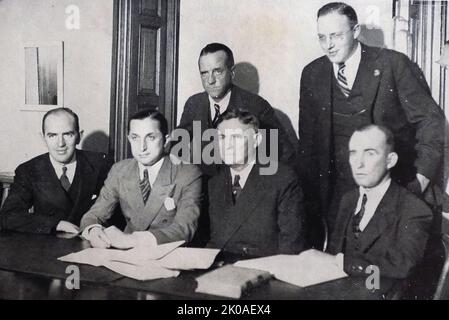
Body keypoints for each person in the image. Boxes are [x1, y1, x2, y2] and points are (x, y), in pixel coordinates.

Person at [298, 2, 445, 239]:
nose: (329, 45)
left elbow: (431, 123)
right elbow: (308, 144)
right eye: (322, 37)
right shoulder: (312, 74)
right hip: (338, 197)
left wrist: (421, 178)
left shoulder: (393, 64)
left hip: (394, 187)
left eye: (335, 35)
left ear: (355, 32)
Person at [80, 109, 202, 249]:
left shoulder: (187, 173)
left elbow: (184, 229)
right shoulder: (120, 170)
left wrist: (132, 240)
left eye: (150, 137)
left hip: (166, 255)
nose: (142, 147)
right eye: (135, 138)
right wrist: (94, 231)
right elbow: (94, 214)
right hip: (124, 255)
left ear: (166, 140)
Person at [327, 124, 432, 279]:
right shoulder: (348, 200)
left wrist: (340, 262)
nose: (358, 163)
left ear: (390, 161)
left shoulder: (414, 209)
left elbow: (402, 266)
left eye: (370, 153)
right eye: (353, 153)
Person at [177, 42, 296, 176]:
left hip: (242, 190)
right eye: (204, 73)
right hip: (204, 190)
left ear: (232, 73)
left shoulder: (256, 105)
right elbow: (178, 147)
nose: (210, 80)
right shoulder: (194, 104)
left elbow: (284, 155)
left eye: (218, 71)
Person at [206, 109, 306, 257]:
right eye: (221, 137)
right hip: (220, 270)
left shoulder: (281, 179)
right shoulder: (215, 183)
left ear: (256, 140)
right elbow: (214, 242)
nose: (227, 145)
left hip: (264, 272)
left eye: (236, 137)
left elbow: (290, 246)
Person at [0, 107, 112, 234]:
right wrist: (56, 224)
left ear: (78, 136)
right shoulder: (28, 170)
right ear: (43, 138)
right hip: (47, 247)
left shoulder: (100, 164)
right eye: (52, 135)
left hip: (90, 244)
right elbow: (8, 216)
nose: (60, 144)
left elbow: (116, 211)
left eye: (67, 134)